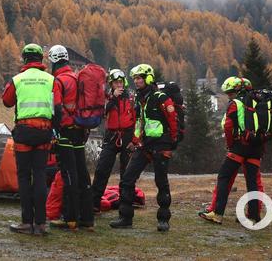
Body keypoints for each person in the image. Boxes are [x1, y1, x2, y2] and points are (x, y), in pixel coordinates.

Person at [110, 63, 178, 232]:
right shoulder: (141, 99)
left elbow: (172, 120)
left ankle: (163, 220)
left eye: (139, 78)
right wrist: (134, 140)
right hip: (144, 145)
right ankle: (125, 217)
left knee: (161, 182)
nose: (137, 81)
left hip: (161, 144)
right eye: (135, 79)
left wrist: (171, 141)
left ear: (148, 78)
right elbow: (139, 122)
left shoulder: (160, 97)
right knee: (127, 179)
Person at [2, 43, 61, 236]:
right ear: (41, 59)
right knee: (41, 175)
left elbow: (7, 101)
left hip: (24, 133)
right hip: (44, 132)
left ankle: (27, 222)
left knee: (24, 177)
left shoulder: (17, 79)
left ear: (25, 59)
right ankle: (41, 223)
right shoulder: (51, 80)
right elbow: (58, 107)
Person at [199, 76, 266, 225]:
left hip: (239, 147)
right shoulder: (260, 103)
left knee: (224, 178)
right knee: (253, 182)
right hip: (256, 148)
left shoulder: (236, 104)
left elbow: (228, 126)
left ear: (238, 91)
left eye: (230, 93)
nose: (229, 95)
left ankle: (217, 213)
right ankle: (253, 216)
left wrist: (230, 145)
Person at [46, 44, 94, 231]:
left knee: (69, 174)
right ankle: (87, 219)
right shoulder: (77, 77)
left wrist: (55, 131)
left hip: (65, 131)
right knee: (83, 174)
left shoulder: (59, 80)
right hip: (80, 132)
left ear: (53, 61)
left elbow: (56, 108)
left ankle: (70, 218)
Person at [91, 68, 136, 212]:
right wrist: (113, 98)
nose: (119, 85)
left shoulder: (131, 98)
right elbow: (102, 112)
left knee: (127, 172)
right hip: (111, 136)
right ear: (111, 84)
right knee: (102, 169)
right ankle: (94, 203)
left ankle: (125, 203)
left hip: (127, 135)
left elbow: (138, 119)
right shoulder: (107, 98)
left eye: (120, 82)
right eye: (116, 83)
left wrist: (134, 140)